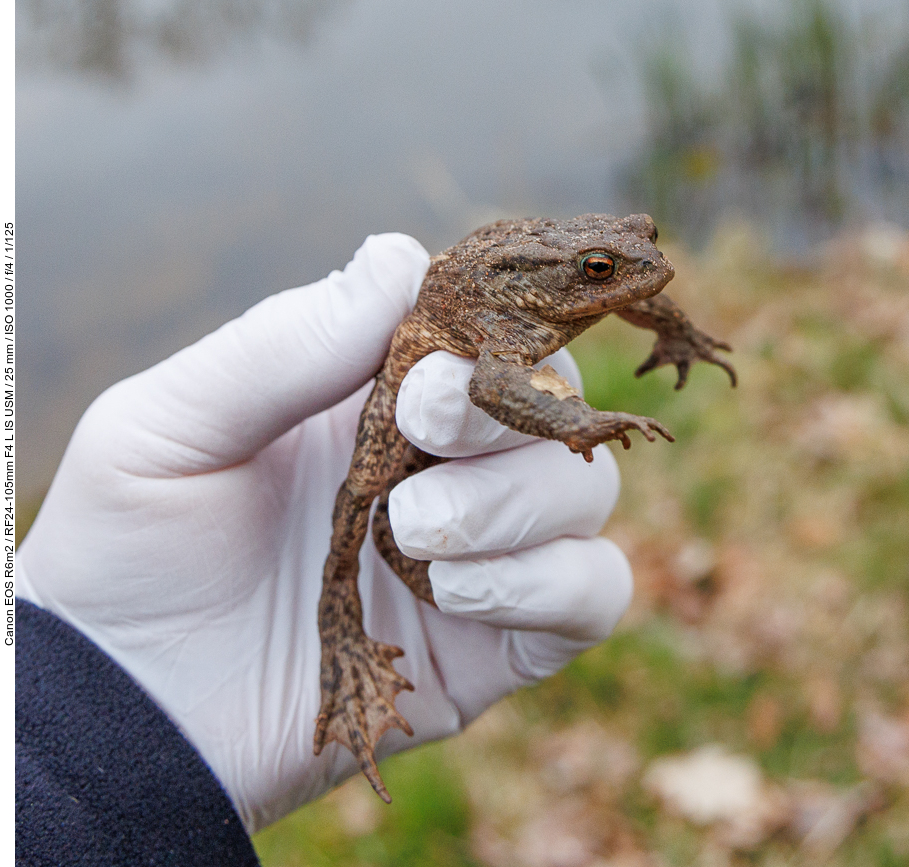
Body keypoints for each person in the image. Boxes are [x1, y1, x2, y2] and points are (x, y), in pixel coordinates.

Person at [16, 235, 635, 864]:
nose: (641, 268)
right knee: (355, 504)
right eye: (600, 270)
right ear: (565, 276)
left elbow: (636, 278)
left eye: (642, 244)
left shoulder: (567, 290)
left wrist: (670, 331)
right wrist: (575, 424)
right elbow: (495, 388)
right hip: (403, 387)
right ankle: (343, 646)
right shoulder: (520, 311)